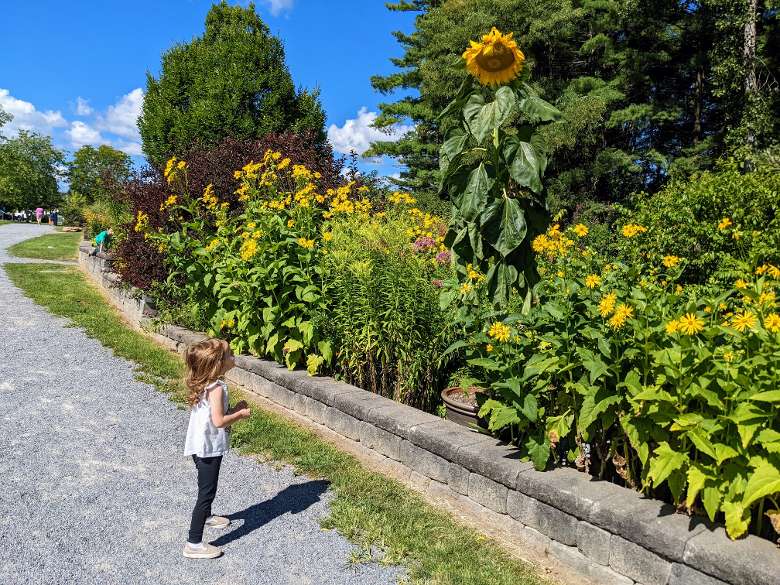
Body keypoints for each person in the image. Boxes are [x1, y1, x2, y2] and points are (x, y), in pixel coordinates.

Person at [182, 339, 251, 560]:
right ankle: (193, 543)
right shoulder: (218, 388)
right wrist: (240, 414)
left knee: (205, 485)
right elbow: (220, 421)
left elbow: (214, 414)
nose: (234, 355)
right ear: (218, 363)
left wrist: (234, 408)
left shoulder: (206, 382)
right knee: (206, 492)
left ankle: (208, 516)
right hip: (208, 448)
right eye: (230, 354)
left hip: (198, 444)